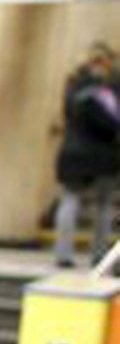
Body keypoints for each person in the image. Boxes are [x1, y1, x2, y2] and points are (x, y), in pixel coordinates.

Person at [54, 43, 120, 268]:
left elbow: (67, 114)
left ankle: (63, 254)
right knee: (102, 205)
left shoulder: (74, 83)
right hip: (103, 154)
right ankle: (99, 254)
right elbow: (112, 122)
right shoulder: (110, 88)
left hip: (73, 152)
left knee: (70, 200)